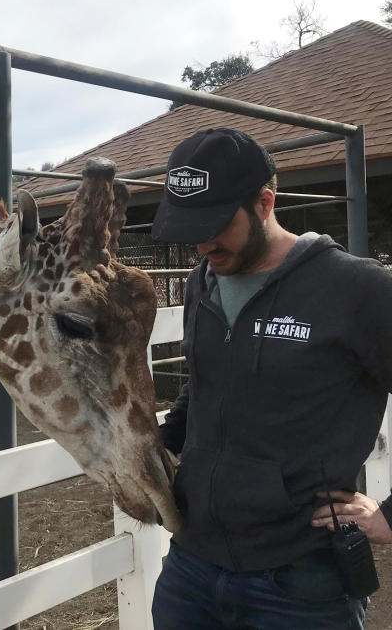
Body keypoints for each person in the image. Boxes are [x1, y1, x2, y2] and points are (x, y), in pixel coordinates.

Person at [149, 127, 392, 629]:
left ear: (264, 202)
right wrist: (162, 446)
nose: (201, 244)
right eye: (190, 226)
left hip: (300, 579)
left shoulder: (356, 289)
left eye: (215, 223)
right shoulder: (202, 284)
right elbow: (207, 380)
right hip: (191, 568)